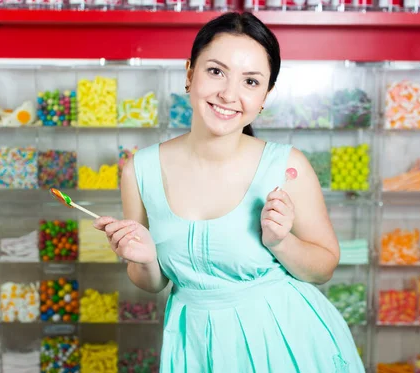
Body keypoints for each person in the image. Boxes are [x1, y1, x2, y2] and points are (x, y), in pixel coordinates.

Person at [94, 12, 365, 373]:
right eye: (216, 71)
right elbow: (153, 282)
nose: (229, 94)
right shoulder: (140, 170)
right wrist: (144, 259)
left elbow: (324, 268)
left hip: (286, 344)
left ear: (266, 95)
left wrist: (281, 242)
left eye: (251, 81)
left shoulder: (287, 167)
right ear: (190, 73)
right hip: (195, 345)